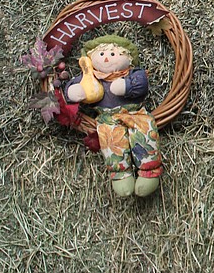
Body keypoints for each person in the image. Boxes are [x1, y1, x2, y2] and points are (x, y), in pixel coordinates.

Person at [63, 34, 164, 198]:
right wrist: (74, 92)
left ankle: (149, 172)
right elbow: (73, 86)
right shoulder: (91, 77)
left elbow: (142, 84)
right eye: (101, 54)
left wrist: (126, 86)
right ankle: (120, 175)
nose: (107, 59)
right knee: (111, 142)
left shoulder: (133, 73)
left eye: (113, 54)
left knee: (145, 134)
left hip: (135, 114)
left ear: (128, 57)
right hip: (107, 119)